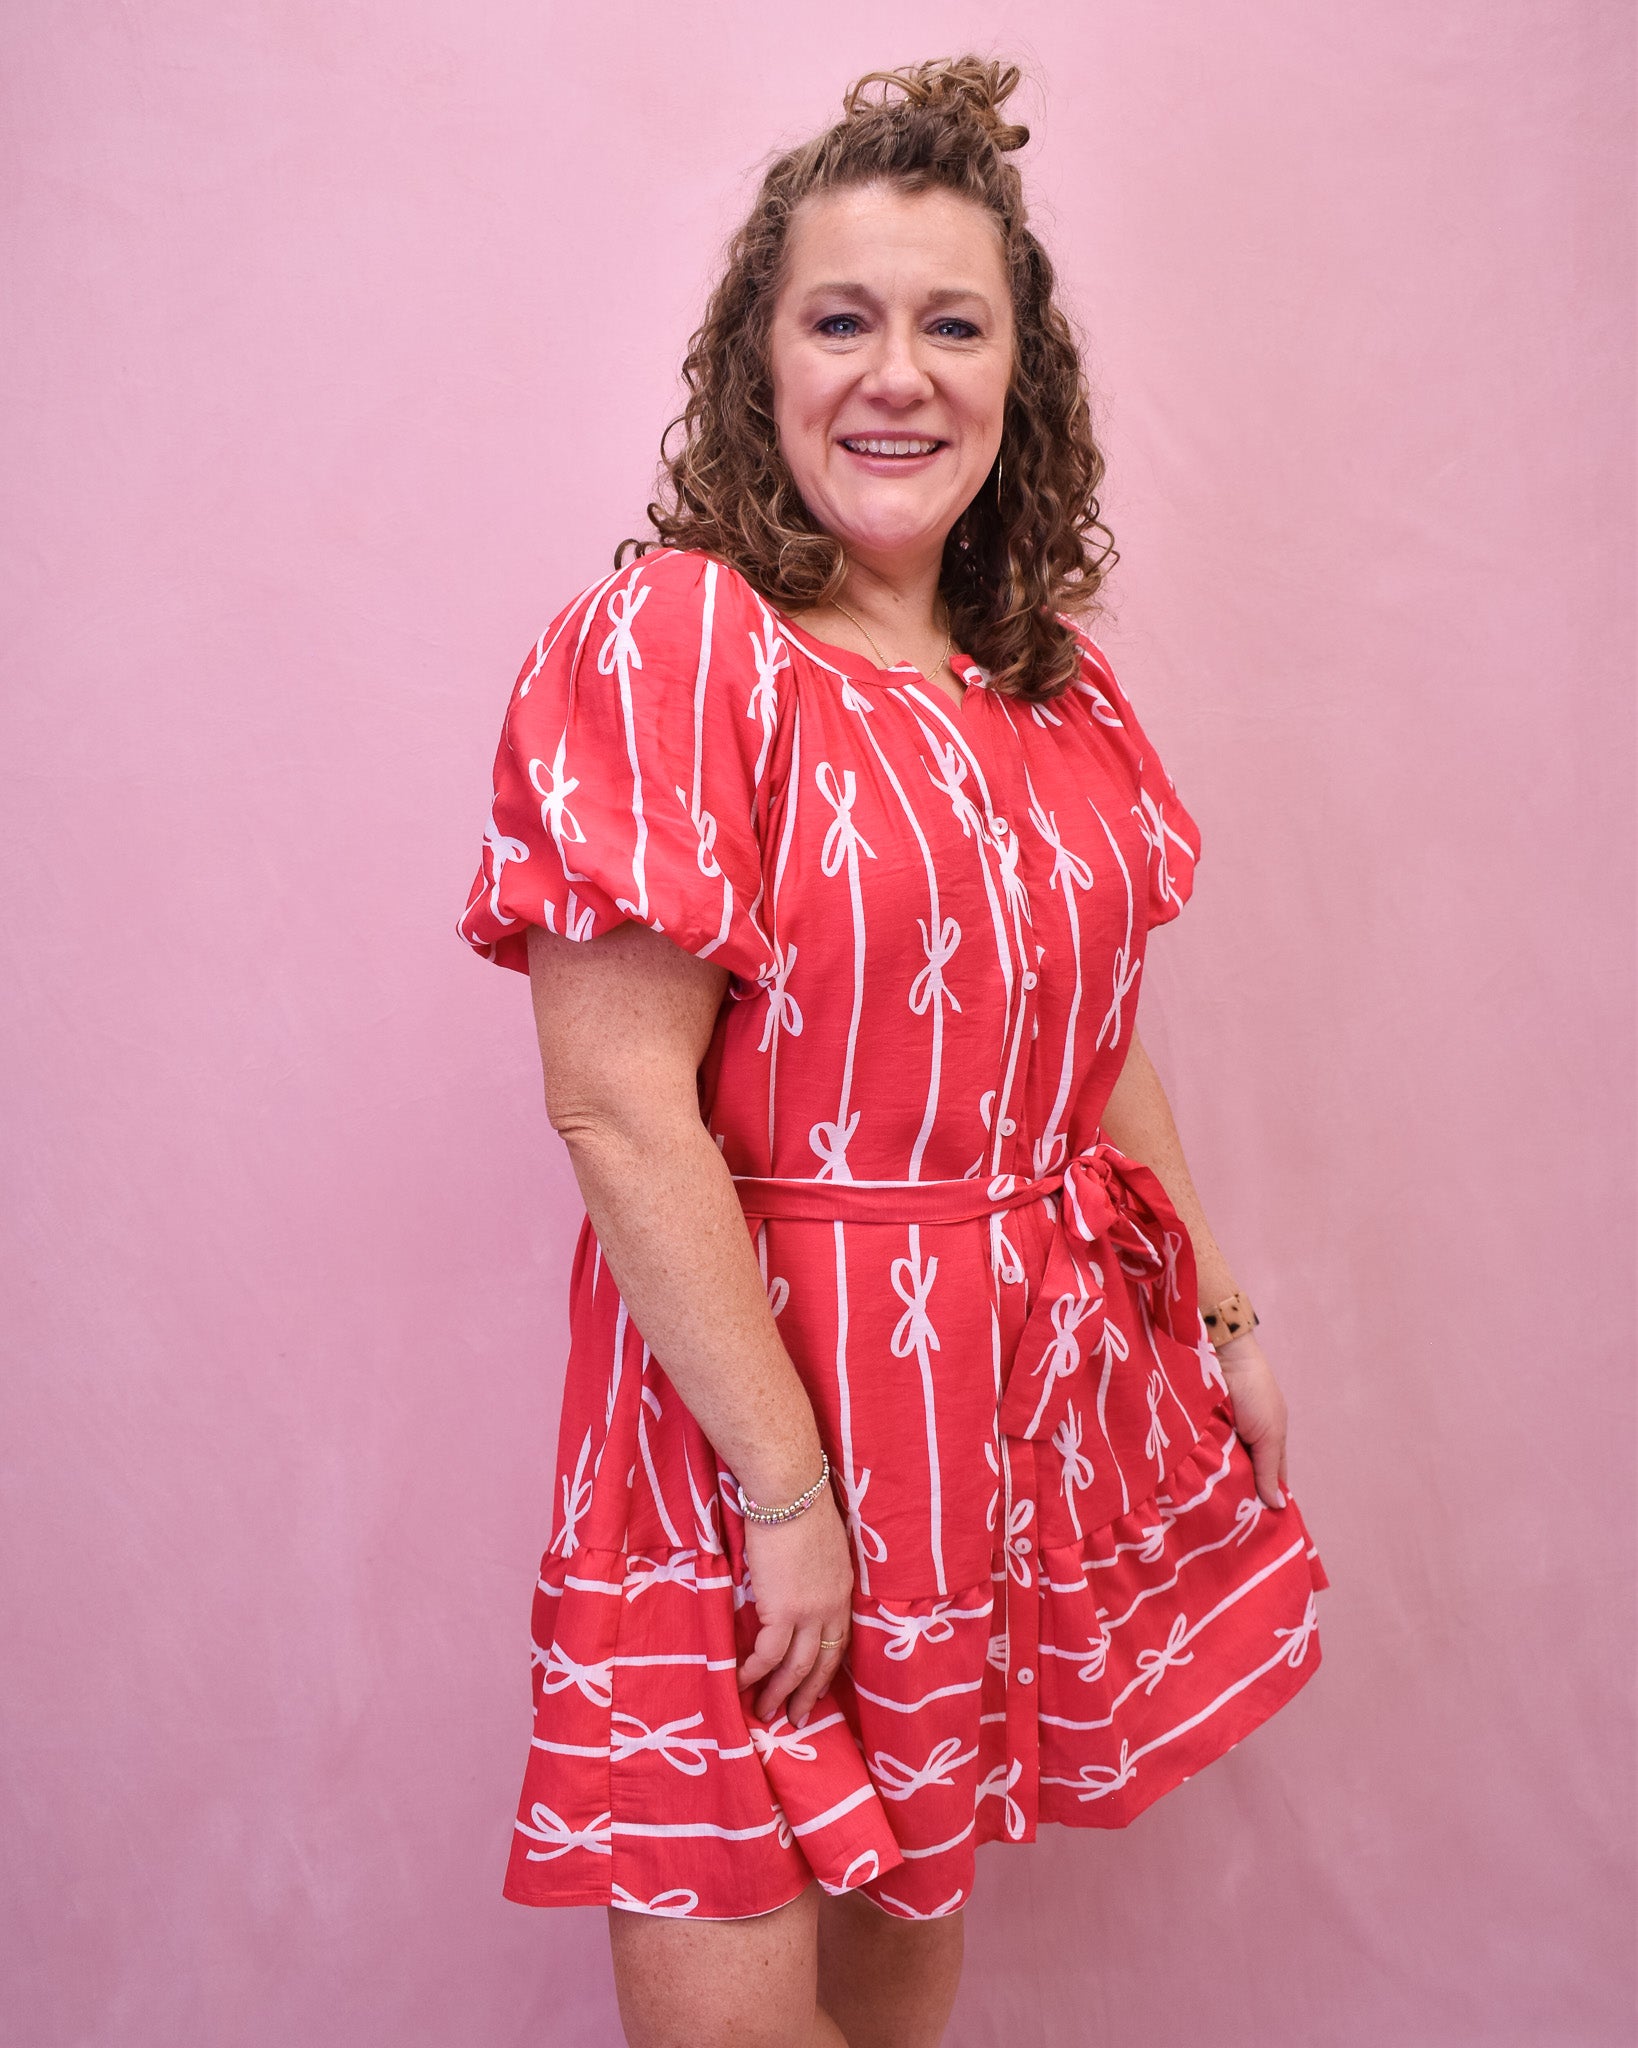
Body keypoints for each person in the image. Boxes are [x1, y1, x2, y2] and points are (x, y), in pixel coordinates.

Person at [459, 55, 1330, 2048]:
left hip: (981, 1435)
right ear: (755, 362)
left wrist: (1223, 1308)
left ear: (1021, 379)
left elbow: (1088, 1046)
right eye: (840, 317)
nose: (897, 370)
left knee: (899, 2003)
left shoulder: (1053, 692)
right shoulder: (684, 647)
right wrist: (788, 1490)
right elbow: (612, 1095)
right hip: (743, 1434)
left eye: (955, 323)